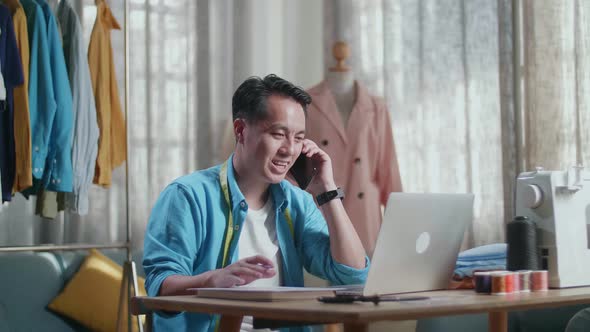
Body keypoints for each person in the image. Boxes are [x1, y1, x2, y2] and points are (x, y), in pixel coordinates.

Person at [143, 74, 369, 331]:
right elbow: (159, 288)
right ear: (240, 130)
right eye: (278, 134)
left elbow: (353, 274)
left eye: (298, 138)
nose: (289, 149)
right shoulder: (187, 196)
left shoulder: (298, 203)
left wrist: (327, 192)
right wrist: (212, 280)